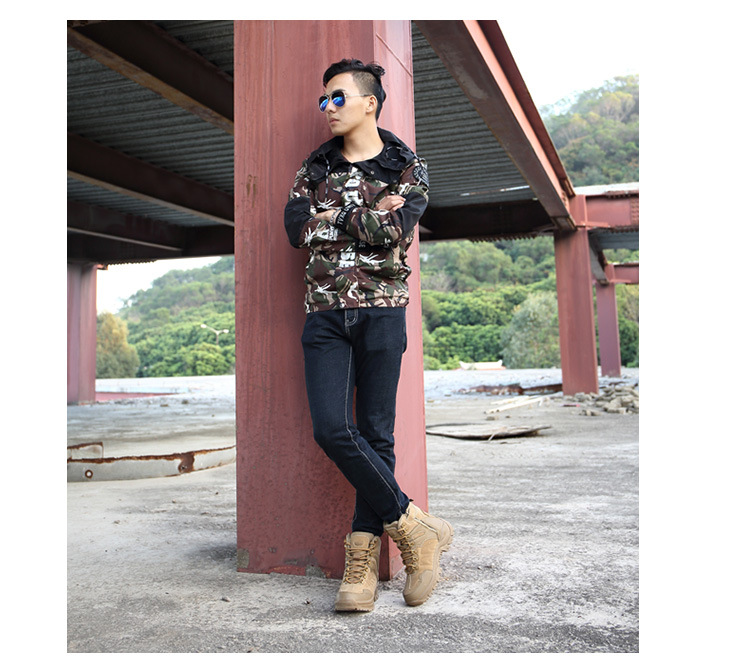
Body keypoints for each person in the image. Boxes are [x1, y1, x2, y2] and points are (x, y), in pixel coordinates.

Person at [283, 58, 453, 612]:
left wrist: (331, 216)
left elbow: (395, 229)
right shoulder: (315, 166)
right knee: (332, 429)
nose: (327, 107)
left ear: (369, 103)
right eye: (324, 99)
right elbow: (296, 229)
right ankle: (414, 526)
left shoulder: (407, 166)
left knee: (377, 434)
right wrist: (364, 215)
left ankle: (361, 564)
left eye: (337, 97)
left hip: (382, 311)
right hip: (325, 312)